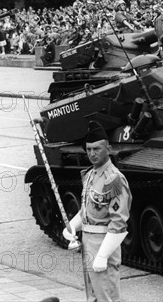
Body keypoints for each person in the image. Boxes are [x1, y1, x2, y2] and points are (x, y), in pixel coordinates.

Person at [63, 121, 132, 302]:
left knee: (106, 296)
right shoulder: (90, 175)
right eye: (88, 149)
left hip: (104, 243)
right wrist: (71, 227)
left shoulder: (114, 179)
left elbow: (119, 223)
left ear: (108, 149)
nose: (92, 154)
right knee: (92, 296)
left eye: (97, 149)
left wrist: (103, 255)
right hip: (88, 241)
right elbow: (87, 209)